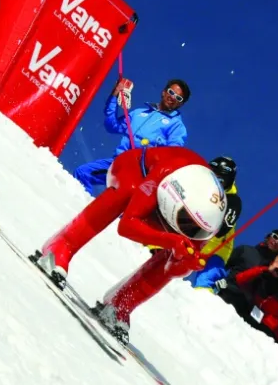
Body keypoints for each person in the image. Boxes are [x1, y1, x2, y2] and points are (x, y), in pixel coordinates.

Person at [34, 146, 226, 342]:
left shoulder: (208, 222)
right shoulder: (168, 172)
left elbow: (174, 266)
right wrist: (171, 240)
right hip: (136, 170)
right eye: (185, 220)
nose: (187, 230)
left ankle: (121, 304)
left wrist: (184, 264)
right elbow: (127, 225)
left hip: (164, 205)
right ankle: (61, 246)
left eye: (195, 230)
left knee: (182, 252)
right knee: (126, 191)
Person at [72, 78, 190, 196]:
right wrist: (114, 95)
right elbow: (112, 125)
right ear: (164, 92)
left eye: (178, 98)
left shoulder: (176, 125)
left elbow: (173, 153)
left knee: (122, 203)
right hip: (119, 162)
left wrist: (154, 153)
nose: (173, 97)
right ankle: (80, 206)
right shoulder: (139, 113)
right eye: (171, 92)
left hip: (139, 171)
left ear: (181, 104)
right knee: (83, 173)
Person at [215, 250, 278, 345]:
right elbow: (239, 279)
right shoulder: (263, 274)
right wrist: (265, 270)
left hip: (269, 330)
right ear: (272, 262)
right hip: (249, 314)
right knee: (230, 292)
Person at [185, 156, 241, 289]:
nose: (216, 183)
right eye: (212, 177)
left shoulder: (232, 201)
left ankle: (203, 301)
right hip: (190, 241)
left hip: (215, 250)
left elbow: (222, 230)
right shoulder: (197, 190)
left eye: (220, 179)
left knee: (206, 281)